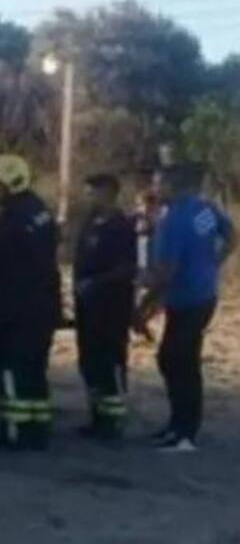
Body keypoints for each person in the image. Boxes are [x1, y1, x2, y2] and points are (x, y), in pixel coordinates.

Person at [135, 163, 235, 452]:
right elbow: (231, 235)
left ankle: (185, 432)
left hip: (188, 298)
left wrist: (145, 302)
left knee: (179, 361)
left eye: (158, 183)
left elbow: (167, 272)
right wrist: (213, 263)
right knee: (175, 359)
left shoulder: (174, 220)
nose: (154, 189)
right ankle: (178, 425)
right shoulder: (204, 210)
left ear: (171, 185)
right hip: (201, 294)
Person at [0, 154, 61, 451]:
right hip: (44, 305)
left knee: (10, 371)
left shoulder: (8, 220)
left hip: (14, 307)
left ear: (9, 184)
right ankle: (38, 430)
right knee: (34, 371)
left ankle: (14, 432)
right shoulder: (41, 211)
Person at [73, 173, 137, 441]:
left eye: (93, 192)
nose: (88, 197)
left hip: (111, 307)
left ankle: (114, 421)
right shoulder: (89, 223)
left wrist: (97, 283)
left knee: (110, 362)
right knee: (90, 362)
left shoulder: (121, 227)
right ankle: (97, 416)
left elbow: (126, 268)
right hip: (87, 307)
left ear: (108, 192)